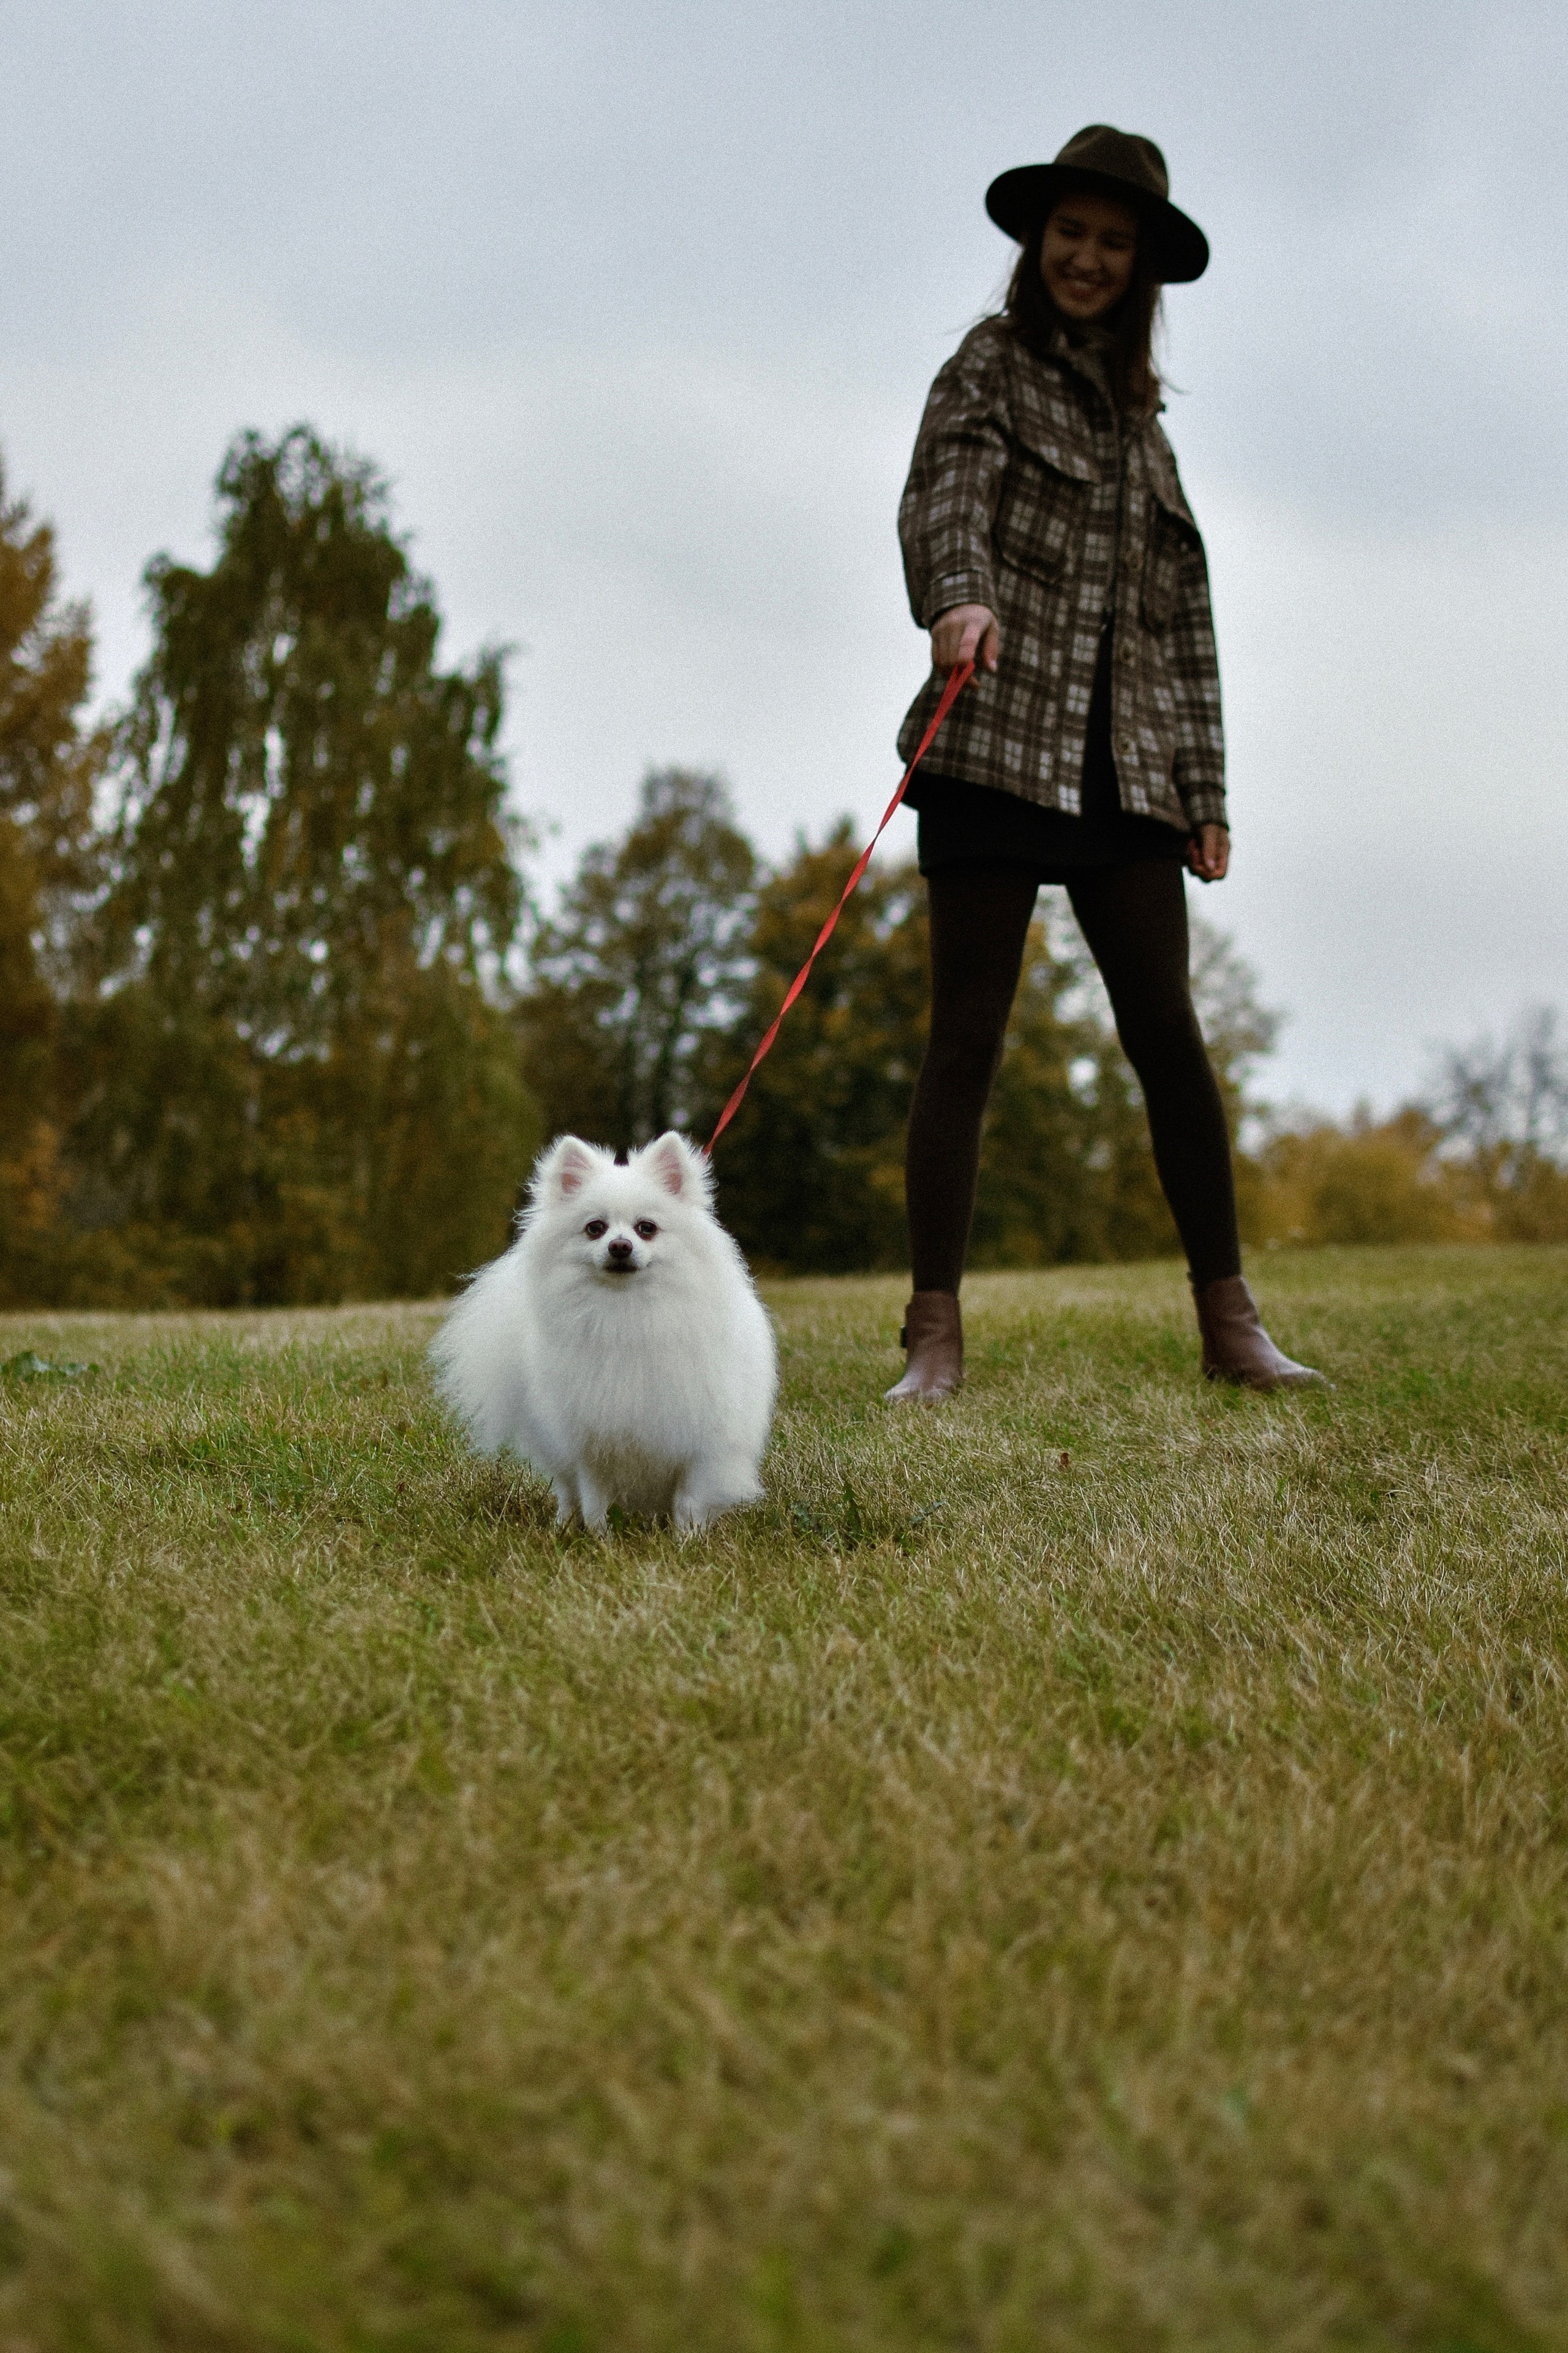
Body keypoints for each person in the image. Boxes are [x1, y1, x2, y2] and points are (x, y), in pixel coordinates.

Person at [886, 123, 1324, 1402]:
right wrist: (953, 599)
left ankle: (1228, 1321)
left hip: (1124, 778)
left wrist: (1203, 790)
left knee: (1168, 1038)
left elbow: (1181, 622)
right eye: (1070, 233)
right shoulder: (988, 365)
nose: (1086, 257)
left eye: (1111, 243)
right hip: (991, 746)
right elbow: (940, 494)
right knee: (962, 1038)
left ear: (1141, 268)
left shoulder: (1146, 429)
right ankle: (933, 1335)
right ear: (1037, 241)